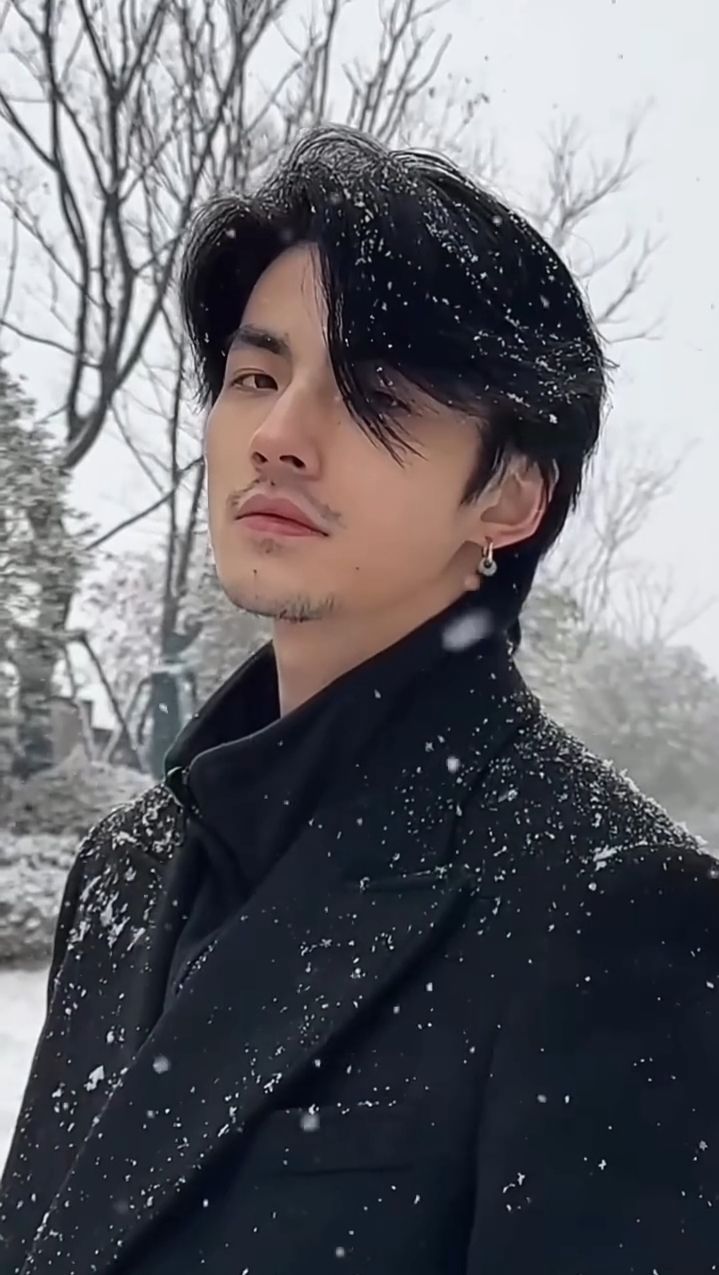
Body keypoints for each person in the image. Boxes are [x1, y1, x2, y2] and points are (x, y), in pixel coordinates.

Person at [2, 125, 717, 1275]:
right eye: (255, 377)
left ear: (509, 496)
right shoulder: (124, 868)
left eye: (372, 392)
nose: (278, 436)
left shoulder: (605, 906)